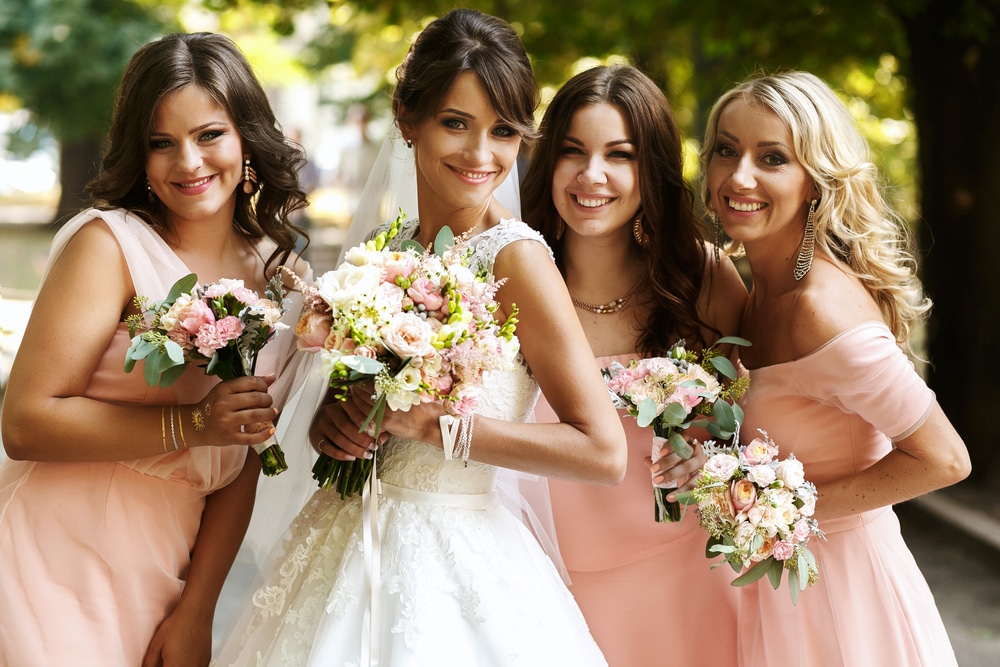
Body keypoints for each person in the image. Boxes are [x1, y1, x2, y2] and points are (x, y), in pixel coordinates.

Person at [214, 9, 626, 666]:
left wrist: (438, 426)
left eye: (503, 131)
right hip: (347, 536)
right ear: (407, 118)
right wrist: (337, 426)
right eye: (455, 123)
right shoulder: (393, 250)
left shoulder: (516, 260)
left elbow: (603, 450)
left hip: (454, 561)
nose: (481, 154)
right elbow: (368, 411)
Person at [0, 32, 310, 667]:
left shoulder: (278, 276)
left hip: (167, 571)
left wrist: (197, 610)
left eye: (209, 135)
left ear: (247, 138)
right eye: (161, 143)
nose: (189, 162)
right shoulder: (107, 245)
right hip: (53, 556)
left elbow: (246, 459)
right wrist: (193, 423)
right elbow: (25, 422)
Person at [700, 70, 970, 666]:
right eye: (726, 149)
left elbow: (946, 458)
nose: (738, 176)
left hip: (848, 598)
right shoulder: (757, 290)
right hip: (782, 594)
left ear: (815, 181)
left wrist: (776, 508)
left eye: (772, 157)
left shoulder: (821, 311)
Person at [520, 64, 748, 665]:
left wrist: (710, 459)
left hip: (681, 581)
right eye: (573, 151)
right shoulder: (506, 282)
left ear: (653, 170)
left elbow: (759, 429)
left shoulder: (701, 279)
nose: (591, 175)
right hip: (536, 583)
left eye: (619, 155)